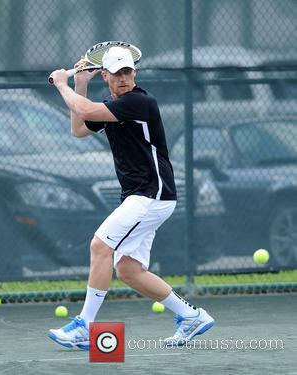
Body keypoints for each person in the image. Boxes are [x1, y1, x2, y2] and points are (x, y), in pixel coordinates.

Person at [48, 46, 215, 349]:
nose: (123, 78)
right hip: (144, 198)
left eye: (127, 72)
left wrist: (61, 83)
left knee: (100, 246)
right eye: (117, 73)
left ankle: (85, 326)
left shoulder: (139, 102)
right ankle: (192, 317)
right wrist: (80, 84)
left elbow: (85, 111)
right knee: (127, 270)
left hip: (151, 195)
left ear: (134, 73)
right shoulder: (114, 105)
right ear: (106, 75)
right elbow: (79, 128)